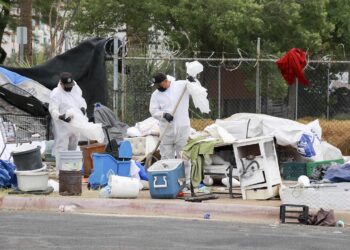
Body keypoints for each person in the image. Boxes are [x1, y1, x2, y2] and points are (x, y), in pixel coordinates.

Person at [149, 73, 193, 160]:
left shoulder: (181, 86)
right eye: (156, 85)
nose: (157, 87)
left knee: (184, 156)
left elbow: (196, 89)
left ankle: (185, 174)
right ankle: (169, 173)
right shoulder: (155, 95)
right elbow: (153, 110)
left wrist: (193, 82)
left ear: (165, 81)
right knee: (166, 157)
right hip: (167, 130)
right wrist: (164, 115)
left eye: (159, 84)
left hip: (182, 128)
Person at [49, 72, 87, 158]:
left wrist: (83, 107)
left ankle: (71, 168)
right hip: (62, 126)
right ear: (61, 84)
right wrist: (60, 116)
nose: (70, 88)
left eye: (71, 85)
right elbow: (53, 109)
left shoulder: (75, 88)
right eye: (67, 86)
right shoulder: (56, 93)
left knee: (73, 147)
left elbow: (81, 99)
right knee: (61, 148)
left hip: (75, 124)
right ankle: (61, 169)